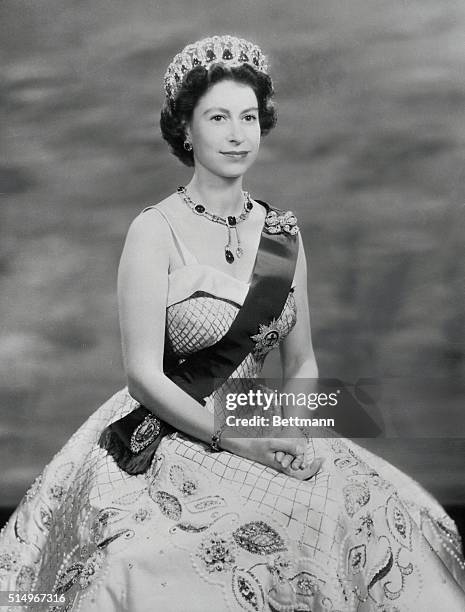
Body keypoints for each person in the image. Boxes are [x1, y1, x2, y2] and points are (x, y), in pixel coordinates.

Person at [0, 34, 464, 612]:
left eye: (248, 117)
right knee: (141, 556)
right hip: (170, 428)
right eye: (218, 117)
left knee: (375, 511)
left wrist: (293, 430)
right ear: (186, 130)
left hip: (263, 417)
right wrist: (241, 442)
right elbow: (144, 375)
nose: (238, 133)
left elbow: (302, 360)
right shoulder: (153, 230)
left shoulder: (283, 234)